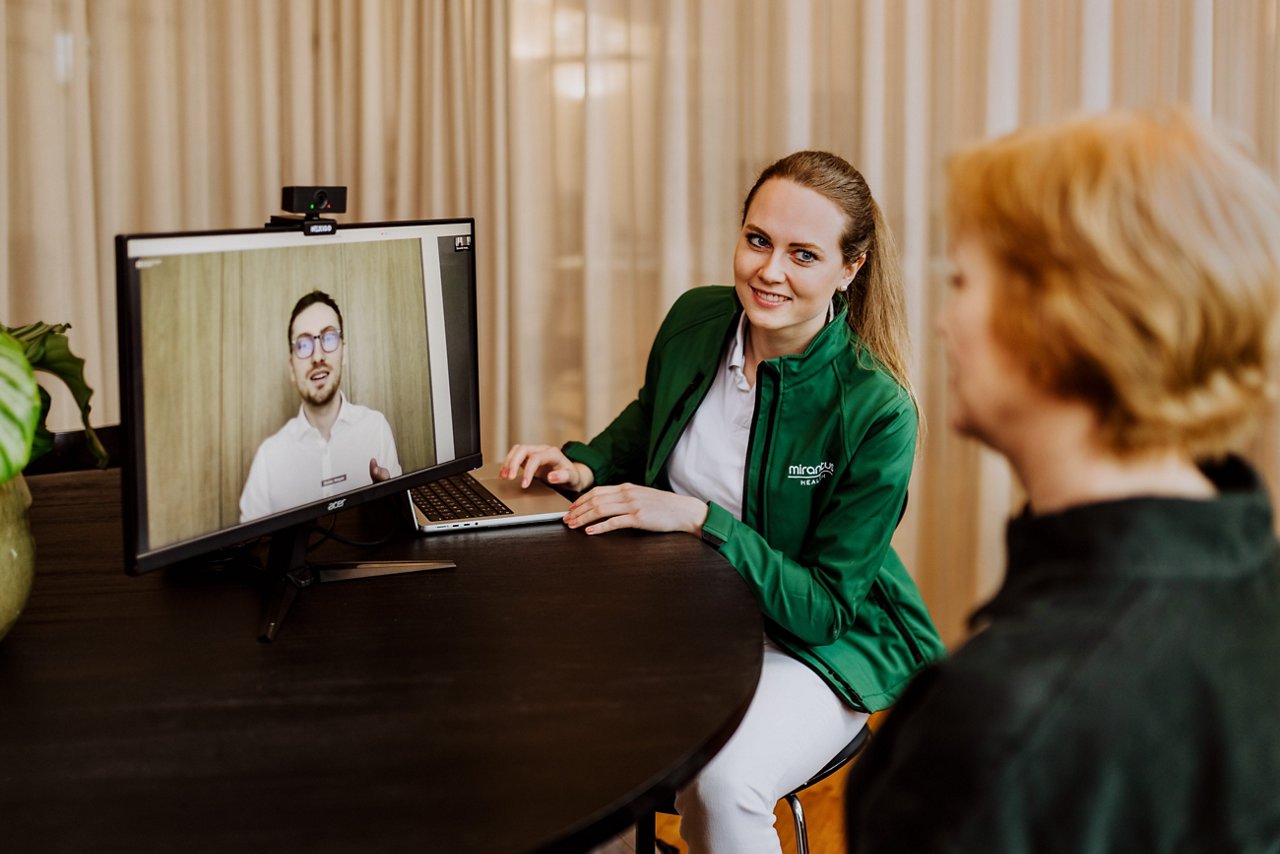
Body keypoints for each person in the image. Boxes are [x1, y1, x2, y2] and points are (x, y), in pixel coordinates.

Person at [846, 107, 1280, 851]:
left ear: (1062, 320)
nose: (944, 323)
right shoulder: (1250, 582)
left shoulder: (1003, 726)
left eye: (962, 282)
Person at [503, 150, 944, 853]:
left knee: (722, 783)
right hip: (681, 617)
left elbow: (825, 606)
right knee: (541, 714)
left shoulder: (876, 408)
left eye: (804, 254)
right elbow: (641, 432)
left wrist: (704, 521)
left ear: (849, 270)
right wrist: (579, 466)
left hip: (813, 644)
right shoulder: (698, 320)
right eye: (758, 240)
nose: (769, 271)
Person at [239, 290, 401, 521]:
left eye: (328, 338)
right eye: (304, 345)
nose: (317, 356)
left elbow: (400, 526)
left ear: (344, 352)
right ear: (291, 367)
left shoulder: (376, 428)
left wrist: (391, 501)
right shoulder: (269, 458)